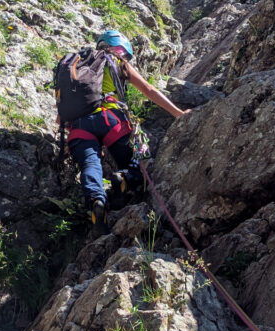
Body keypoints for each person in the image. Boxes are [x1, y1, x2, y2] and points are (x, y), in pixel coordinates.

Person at [63, 29, 187, 232]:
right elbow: (149, 90)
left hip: (79, 126)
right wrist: (178, 113)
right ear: (121, 50)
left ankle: (96, 200)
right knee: (137, 162)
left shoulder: (77, 66)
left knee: (89, 164)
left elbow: (63, 108)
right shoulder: (118, 62)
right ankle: (125, 177)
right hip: (111, 119)